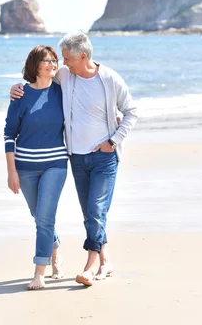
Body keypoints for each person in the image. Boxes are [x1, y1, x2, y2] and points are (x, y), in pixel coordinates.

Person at [10, 31, 138, 287]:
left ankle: (89, 268)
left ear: (82, 56)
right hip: (77, 158)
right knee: (90, 213)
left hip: (105, 157)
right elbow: (39, 80)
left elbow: (131, 112)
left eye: (67, 58)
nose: (62, 63)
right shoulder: (66, 76)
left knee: (96, 211)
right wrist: (17, 89)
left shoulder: (109, 79)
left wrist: (113, 141)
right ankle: (106, 260)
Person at [4, 45, 69, 290]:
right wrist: (11, 171)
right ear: (35, 65)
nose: (53, 64)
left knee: (44, 218)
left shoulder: (63, 91)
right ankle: (55, 252)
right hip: (26, 167)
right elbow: (9, 135)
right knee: (40, 217)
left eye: (55, 60)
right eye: (47, 60)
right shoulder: (20, 95)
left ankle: (39, 272)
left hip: (56, 164)